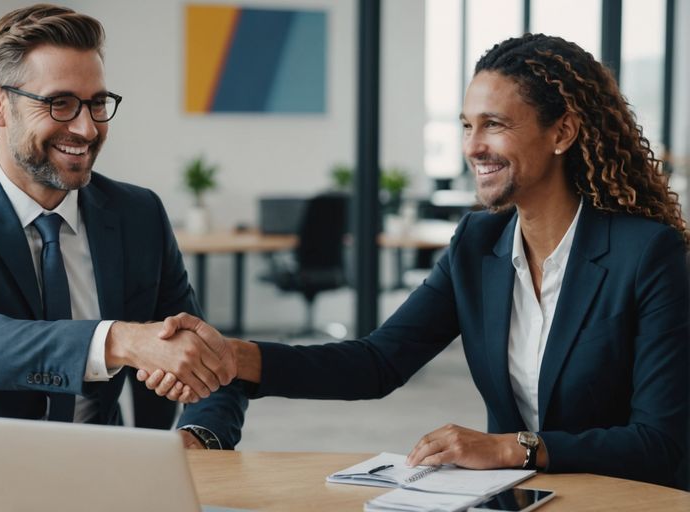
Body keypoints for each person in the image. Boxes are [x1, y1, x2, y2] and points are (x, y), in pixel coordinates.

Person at [154, 33, 689, 488]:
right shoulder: (478, 244)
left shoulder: (646, 255)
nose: (472, 146)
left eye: (494, 124)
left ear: (563, 133)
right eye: (465, 125)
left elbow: (659, 441)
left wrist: (515, 448)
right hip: (516, 499)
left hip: (628, 499)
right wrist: (233, 356)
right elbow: (376, 362)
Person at [0, 3, 234, 446]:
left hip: (99, 472)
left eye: (97, 103)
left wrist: (198, 435)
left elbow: (207, 357)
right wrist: (119, 340)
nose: (86, 128)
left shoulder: (138, 213)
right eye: (59, 103)